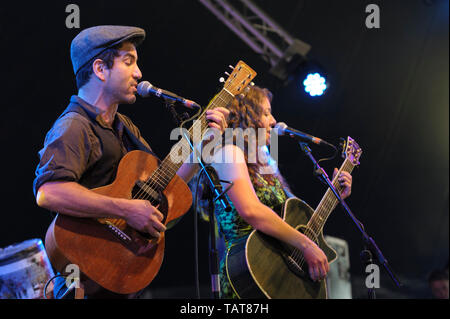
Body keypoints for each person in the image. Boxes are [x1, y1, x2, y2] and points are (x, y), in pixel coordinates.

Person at [33, 25, 229, 298]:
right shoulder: (74, 126)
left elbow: (163, 185)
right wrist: (126, 210)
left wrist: (202, 146)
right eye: (129, 62)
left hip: (119, 269)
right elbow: (49, 192)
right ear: (100, 69)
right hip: (87, 272)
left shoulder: (124, 126)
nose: (139, 73)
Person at [195, 85, 352, 299]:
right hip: (249, 273)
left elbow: (292, 220)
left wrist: (334, 198)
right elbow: (251, 210)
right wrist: (306, 244)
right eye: (266, 113)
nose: (273, 121)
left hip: (274, 271)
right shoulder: (228, 153)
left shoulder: (265, 164)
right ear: (247, 118)